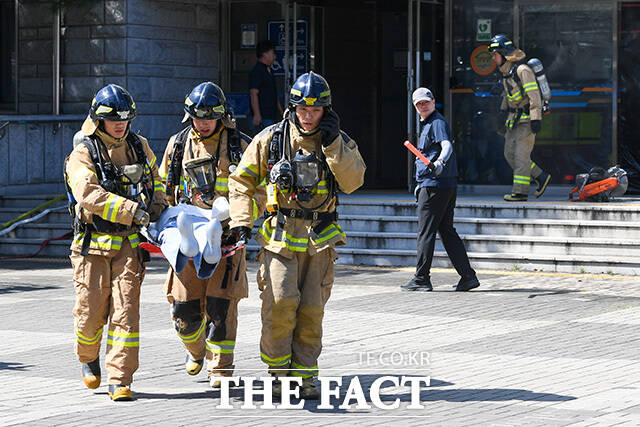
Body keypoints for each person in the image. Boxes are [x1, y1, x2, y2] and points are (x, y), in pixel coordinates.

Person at [228, 71, 365, 399]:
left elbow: (353, 181)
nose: (308, 116)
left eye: (315, 110)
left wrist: (333, 146)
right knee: (279, 304)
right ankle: (278, 374)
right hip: (280, 238)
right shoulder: (271, 139)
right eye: (302, 109)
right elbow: (240, 181)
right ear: (292, 108)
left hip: (320, 240)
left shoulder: (338, 140)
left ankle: (305, 375)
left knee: (312, 309)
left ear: (326, 111)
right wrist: (242, 221)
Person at [64, 84, 167, 401]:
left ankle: (120, 379)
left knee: (126, 313)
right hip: (91, 248)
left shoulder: (140, 146)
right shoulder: (83, 153)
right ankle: (88, 357)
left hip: (129, 247)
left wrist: (159, 207)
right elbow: (88, 195)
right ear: (99, 119)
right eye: (113, 119)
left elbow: (156, 181)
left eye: (125, 117)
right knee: (91, 314)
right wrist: (132, 210)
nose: (120, 124)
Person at [159, 81, 260, 389]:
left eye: (209, 117)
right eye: (196, 117)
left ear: (222, 116)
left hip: (225, 238)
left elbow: (261, 192)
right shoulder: (178, 145)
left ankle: (221, 369)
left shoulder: (240, 146)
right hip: (188, 238)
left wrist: (241, 217)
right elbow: (164, 191)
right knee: (185, 312)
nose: (202, 123)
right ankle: (195, 350)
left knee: (221, 307)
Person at [401, 87, 479, 292]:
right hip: (443, 185)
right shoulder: (430, 123)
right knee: (446, 231)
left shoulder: (436, 122)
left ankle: (421, 278)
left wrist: (439, 162)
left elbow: (446, 146)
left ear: (434, 102)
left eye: (426, 102)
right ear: (415, 107)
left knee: (425, 233)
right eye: (419, 104)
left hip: (435, 186)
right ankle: (468, 276)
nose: (423, 106)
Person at [489, 34, 552, 202]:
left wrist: (536, 119)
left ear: (503, 54)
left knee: (521, 156)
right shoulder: (506, 73)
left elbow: (534, 95)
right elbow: (507, 96)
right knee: (509, 154)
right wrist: (502, 114)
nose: (493, 58)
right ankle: (540, 176)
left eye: (495, 54)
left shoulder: (522, 70)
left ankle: (520, 192)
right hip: (513, 120)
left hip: (527, 121)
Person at [249, 40, 283, 133]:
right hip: (263, 116)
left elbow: (273, 93)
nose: (274, 56)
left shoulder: (269, 70)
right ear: (265, 54)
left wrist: (280, 111)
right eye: (272, 53)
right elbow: (253, 93)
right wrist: (257, 114)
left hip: (271, 115)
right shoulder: (257, 71)